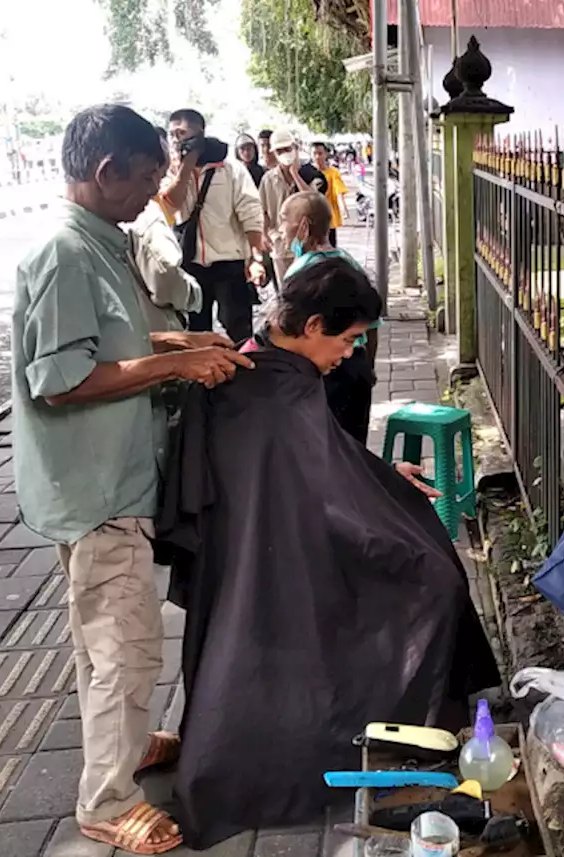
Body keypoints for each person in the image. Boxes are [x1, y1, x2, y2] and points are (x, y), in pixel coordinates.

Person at [156, 255, 500, 850]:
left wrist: (381, 478)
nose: (348, 354)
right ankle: (400, 731)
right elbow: (308, 485)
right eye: (348, 339)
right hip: (279, 549)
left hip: (264, 542)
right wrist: (374, 501)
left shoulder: (270, 370)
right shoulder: (267, 386)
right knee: (432, 578)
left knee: (423, 546)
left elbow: (315, 467)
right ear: (313, 326)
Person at [11, 104, 255, 855]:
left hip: (108, 475)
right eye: (148, 178)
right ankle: (106, 799)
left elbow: (111, 339)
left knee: (101, 638)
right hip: (96, 484)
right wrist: (178, 364)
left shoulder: (101, 240)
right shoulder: (64, 251)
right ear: (106, 171)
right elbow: (61, 378)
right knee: (127, 644)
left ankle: (122, 742)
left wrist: (180, 338)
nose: (156, 193)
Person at [275, 191, 378, 442]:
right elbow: (372, 325)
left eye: (284, 221)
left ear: (303, 226)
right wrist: (368, 366)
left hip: (326, 371)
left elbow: (291, 331)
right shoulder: (348, 262)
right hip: (357, 367)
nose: (280, 230)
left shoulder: (301, 272)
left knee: (325, 447)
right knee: (353, 445)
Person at [163, 108, 267, 343]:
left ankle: (244, 374)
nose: (177, 139)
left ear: (200, 133)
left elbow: (250, 212)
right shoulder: (170, 171)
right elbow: (170, 206)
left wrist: (256, 258)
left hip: (229, 262)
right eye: (173, 134)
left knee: (238, 327)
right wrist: (185, 167)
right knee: (196, 330)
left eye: (182, 133)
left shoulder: (230, 169)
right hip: (190, 263)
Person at [128, 129, 202, 332]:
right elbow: (164, 277)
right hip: (154, 331)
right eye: (152, 177)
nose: (155, 189)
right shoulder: (147, 216)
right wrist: (193, 294)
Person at [258, 129, 319, 284]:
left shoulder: (310, 174)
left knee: (308, 288)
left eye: (288, 149)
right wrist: (264, 234)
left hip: (307, 243)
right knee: (286, 289)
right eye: (280, 151)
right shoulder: (268, 179)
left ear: (295, 149)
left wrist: (295, 174)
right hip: (280, 243)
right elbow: (263, 210)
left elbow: (314, 203)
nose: (285, 154)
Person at [310, 141, 350, 246]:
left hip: (329, 217)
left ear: (326, 154)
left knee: (330, 246)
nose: (317, 157)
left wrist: (343, 208)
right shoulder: (308, 173)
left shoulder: (333, 172)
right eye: (314, 153)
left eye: (320, 153)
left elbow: (339, 192)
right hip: (313, 217)